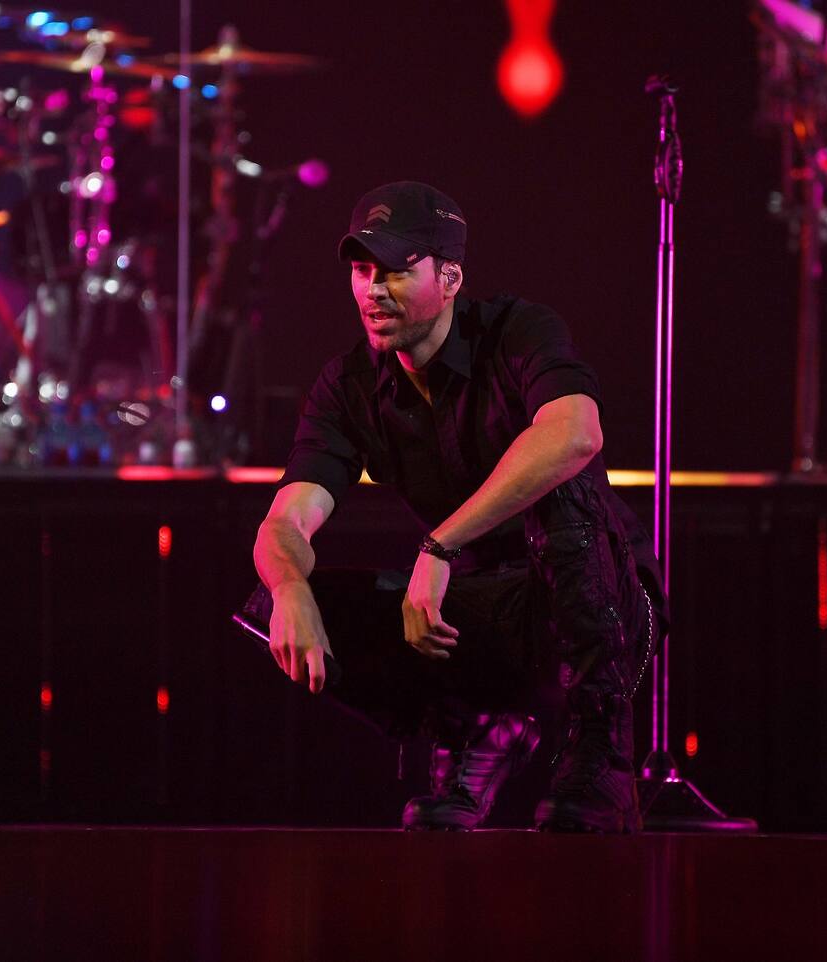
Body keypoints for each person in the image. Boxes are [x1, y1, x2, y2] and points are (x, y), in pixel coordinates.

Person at [247, 181, 667, 833]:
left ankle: (600, 751)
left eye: (395, 270)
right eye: (362, 270)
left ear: (449, 277)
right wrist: (288, 589)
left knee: (562, 480)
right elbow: (286, 521)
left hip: (599, 601)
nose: (373, 289)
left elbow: (577, 433)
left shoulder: (518, 331)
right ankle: (479, 730)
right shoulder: (349, 385)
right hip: (478, 615)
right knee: (271, 598)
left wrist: (439, 545)